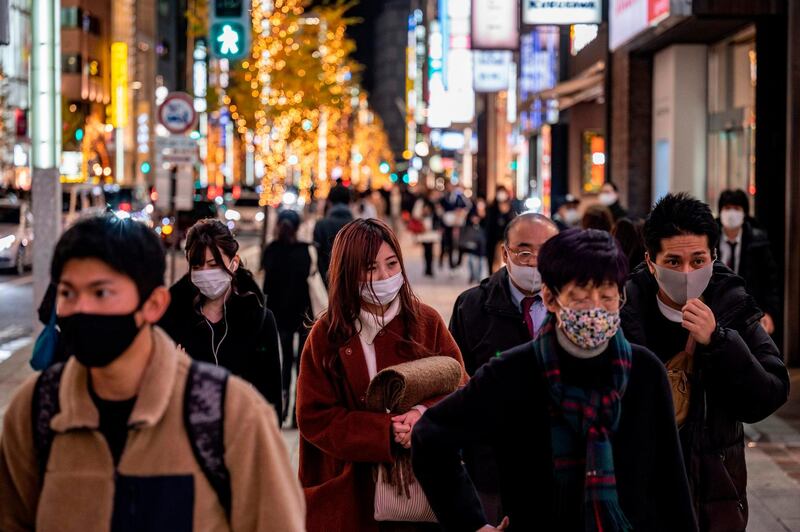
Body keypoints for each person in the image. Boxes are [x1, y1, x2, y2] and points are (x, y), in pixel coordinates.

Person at [0, 214, 305, 530]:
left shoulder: (233, 415)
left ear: (154, 304)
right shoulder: (36, 412)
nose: (82, 309)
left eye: (101, 293)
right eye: (67, 293)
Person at [414, 228, 697, 532]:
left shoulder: (644, 371)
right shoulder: (513, 372)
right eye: (580, 297)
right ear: (550, 297)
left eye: (606, 296)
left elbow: (671, 482)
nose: (595, 310)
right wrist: (471, 523)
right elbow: (431, 437)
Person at [621, 193, 789, 531]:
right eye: (673, 262)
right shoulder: (627, 312)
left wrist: (719, 340)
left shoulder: (732, 304)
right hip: (643, 495)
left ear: (713, 257)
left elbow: (771, 391)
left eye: (698, 261)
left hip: (716, 494)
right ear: (650, 262)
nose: (686, 273)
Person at [296, 218, 467, 532]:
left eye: (392, 264)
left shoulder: (425, 321)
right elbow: (314, 417)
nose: (385, 276)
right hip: (348, 493)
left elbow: (459, 385)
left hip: (418, 490)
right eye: (370, 268)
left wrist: (422, 415)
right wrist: (383, 431)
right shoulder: (326, 334)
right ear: (348, 272)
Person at [448, 213, 559, 523]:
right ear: (504, 253)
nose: (535, 261)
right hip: (490, 468)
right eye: (524, 251)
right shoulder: (472, 307)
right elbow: (455, 387)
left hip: (559, 465)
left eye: (546, 250)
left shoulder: (573, 307)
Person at [159, 219, 282, 416]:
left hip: (241, 439)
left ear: (233, 263)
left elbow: (272, 402)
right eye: (197, 266)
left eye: (213, 264)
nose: (205, 273)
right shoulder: (171, 319)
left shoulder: (259, 321)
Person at [261, 209, 312, 425]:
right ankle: (296, 411)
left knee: (283, 364)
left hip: (279, 314)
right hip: (302, 313)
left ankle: (282, 408)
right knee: (301, 364)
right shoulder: (304, 251)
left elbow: (266, 286)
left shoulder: (271, 250)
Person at [717, 189, 780, 335]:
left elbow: (770, 283)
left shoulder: (758, 242)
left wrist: (769, 313)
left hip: (749, 312)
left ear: (744, 213)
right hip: (717, 310)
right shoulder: (710, 239)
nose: (731, 213)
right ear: (720, 212)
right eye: (727, 208)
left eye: (736, 209)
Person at [314, 183, 354, 285]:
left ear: (329, 202)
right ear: (349, 202)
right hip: (352, 284)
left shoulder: (321, 225)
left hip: (328, 283)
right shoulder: (357, 225)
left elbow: (317, 258)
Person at [439, 182, 470, 272]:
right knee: (447, 244)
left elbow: (466, 207)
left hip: (458, 223)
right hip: (447, 224)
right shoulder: (444, 197)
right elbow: (441, 209)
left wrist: (460, 212)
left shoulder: (460, 197)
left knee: (459, 243)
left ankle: (457, 262)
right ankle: (449, 262)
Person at [411, 188, 441, 277]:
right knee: (426, 249)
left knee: (431, 249)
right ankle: (427, 268)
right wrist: (423, 212)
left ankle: (430, 268)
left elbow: (439, 215)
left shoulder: (436, 203)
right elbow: (415, 214)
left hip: (432, 229)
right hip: (423, 229)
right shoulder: (421, 202)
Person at [485, 187, 515, 274]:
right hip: (493, 239)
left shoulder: (510, 208)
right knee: (492, 260)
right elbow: (489, 224)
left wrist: (506, 212)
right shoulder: (492, 207)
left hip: (505, 239)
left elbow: (511, 223)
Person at [460, 201, 488, 284]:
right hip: (471, 240)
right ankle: (472, 276)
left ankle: (479, 277)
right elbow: (465, 225)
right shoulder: (471, 214)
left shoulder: (486, 216)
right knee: (470, 259)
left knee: (480, 261)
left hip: (481, 242)